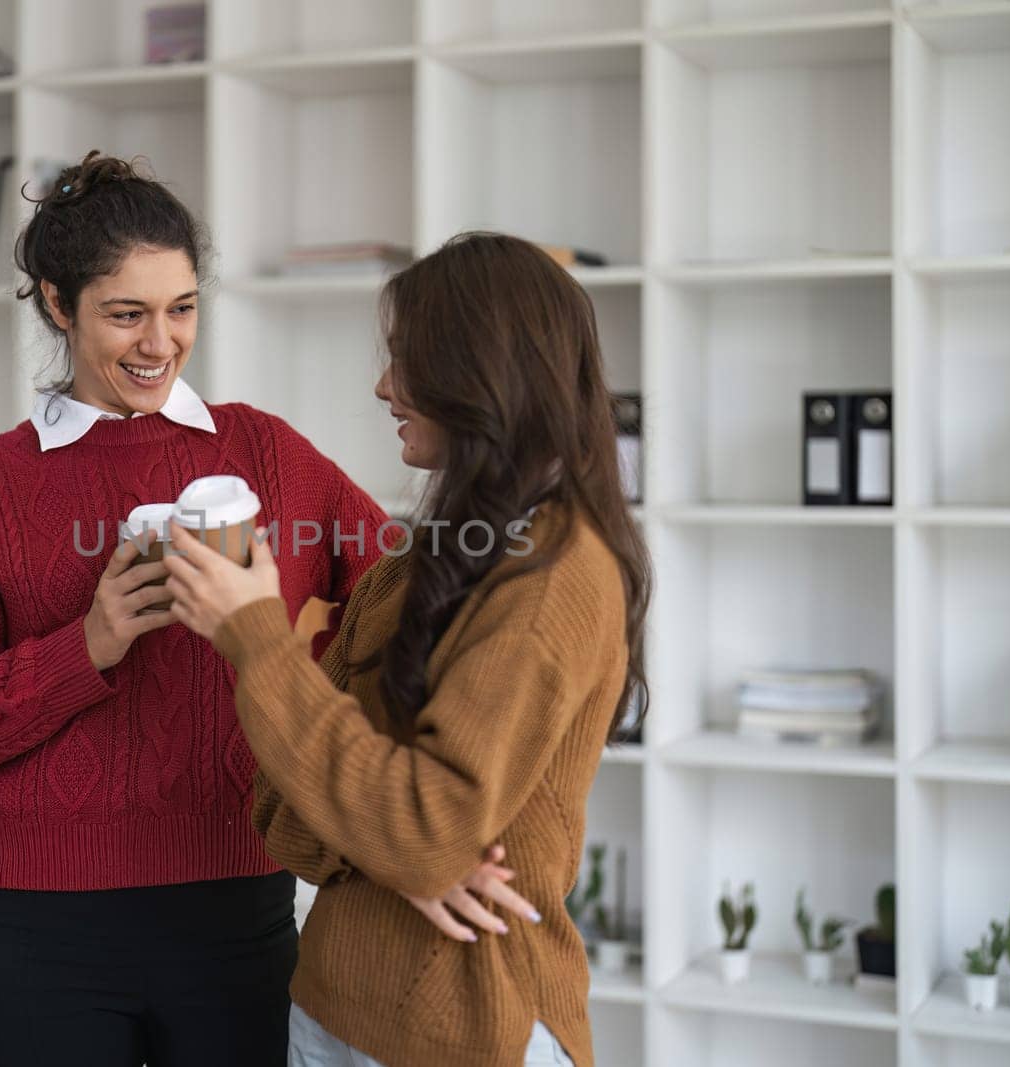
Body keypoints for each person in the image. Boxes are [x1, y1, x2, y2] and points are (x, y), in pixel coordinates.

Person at [0, 152, 394, 1067]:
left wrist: (286, 663)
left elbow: (406, 608)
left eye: (182, 308)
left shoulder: (268, 455)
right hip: (40, 936)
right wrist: (89, 642)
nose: (159, 342)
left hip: (240, 913)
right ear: (56, 302)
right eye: (127, 314)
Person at [163, 232, 653, 1067]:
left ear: (480, 372)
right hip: (330, 1007)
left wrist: (256, 637)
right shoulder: (417, 564)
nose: (384, 387)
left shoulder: (557, 577)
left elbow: (417, 824)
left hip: (465, 1032)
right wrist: (403, 846)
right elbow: (291, 821)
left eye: (406, 361)